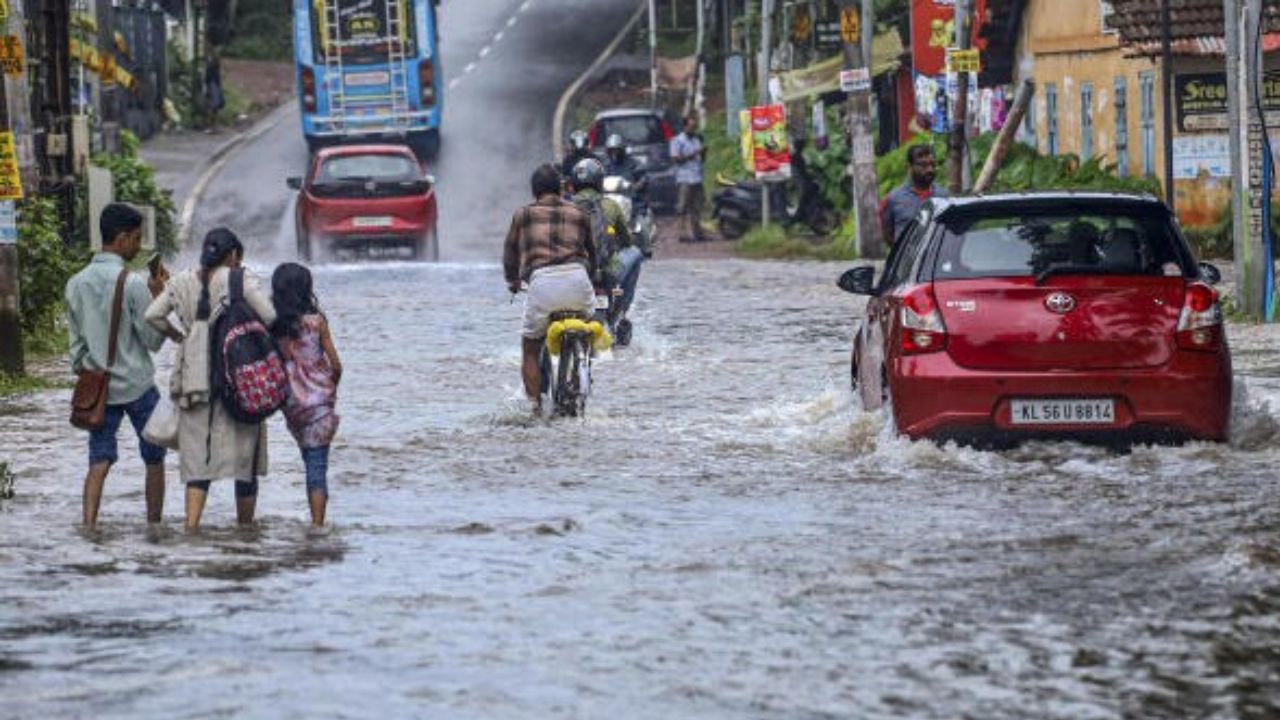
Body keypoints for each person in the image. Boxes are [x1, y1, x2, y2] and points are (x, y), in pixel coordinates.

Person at [145, 229, 276, 532]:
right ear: (232, 256)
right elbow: (269, 316)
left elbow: (152, 314)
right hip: (238, 372)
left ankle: (191, 528)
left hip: (194, 376)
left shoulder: (179, 281)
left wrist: (179, 335)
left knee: (197, 460)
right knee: (245, 461)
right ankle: (245, 531)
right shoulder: (239, 280)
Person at [66, 203, 182, 529]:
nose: (136, 245)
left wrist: (90, 372)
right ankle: (154, 527)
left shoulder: (75, 284)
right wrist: (158, 296)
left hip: (98, 389)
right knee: (155, 458)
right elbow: (152, 340)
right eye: (135, 238)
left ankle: (88, 526)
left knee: (99, 460)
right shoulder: (131, 284)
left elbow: (75, 348)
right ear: (121, 239)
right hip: (138, 386)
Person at [503, 164, 599, 414]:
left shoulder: (522, 215)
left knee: (531, 348)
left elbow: (510, 254)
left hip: (542, 284)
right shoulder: (579, 213)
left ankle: (535, 407)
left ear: (534, 192)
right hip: (578, 279)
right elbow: (593, 253)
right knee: (589, 329)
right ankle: (581, 371)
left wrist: (513, 281)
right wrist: (591, 278)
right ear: (560, 188)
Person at [271, 263, 342, 528]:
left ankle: (315, 523)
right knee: (317, 467)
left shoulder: (275, 325)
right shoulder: (316, 323)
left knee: (308, 458)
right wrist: (330, 389)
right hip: (319, 406)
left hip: (291, 406)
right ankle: (317, 526)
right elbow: (336, 365)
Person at [568, 157, 643, 336]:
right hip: (604, 274)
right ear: (599, 181)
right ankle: (620, 312)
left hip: (569, 273)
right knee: (635, 253)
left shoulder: (563, 208)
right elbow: (626, 241)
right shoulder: (611, 205)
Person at [880, 144, 947, 243]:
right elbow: (888, 234)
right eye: (923, 165)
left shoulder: (944, 197)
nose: (930, 170)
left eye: (932, 165)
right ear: (909, 167)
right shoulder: (893, 199)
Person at [669, 114, 708, 243]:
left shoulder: (696, 140)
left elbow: (701, 159)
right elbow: (675, 159)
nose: (693, 129)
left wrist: (703, 153)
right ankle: (682, 233)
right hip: (684, 178)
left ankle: (697, 232)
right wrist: (693, 154)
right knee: (682, 207)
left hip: (696, 177)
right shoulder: (677, 141)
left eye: (694, 127)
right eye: (691, 127)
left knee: (697, 206)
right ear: (685, 127)